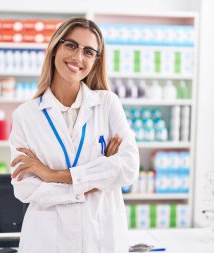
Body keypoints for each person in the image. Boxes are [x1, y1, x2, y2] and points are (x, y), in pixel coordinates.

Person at [8, 17, 140, 253]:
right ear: (55, 47)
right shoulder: (26, 116)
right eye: (71, 45)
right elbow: (25, 189)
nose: (78, 57)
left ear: (95, 61)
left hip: (101, 237)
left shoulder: (107, 104)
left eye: (88, 52)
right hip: (47, 241)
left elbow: (128, 167)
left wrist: (51, 175)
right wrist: (99, 176)